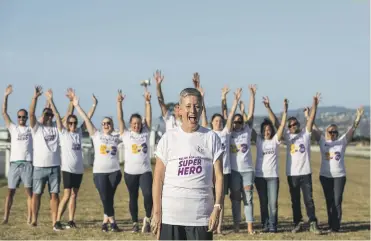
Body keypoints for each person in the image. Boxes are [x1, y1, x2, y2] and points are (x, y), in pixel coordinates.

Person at [151, 88, 224, 240]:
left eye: (197, 106)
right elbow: (158, 179)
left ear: (202, 109)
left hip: (200, 217)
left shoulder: (211, 137)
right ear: (180, 110)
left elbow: (218, 176)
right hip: (171, 217)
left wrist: (217, 207)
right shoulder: (168, 138)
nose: (193, 110)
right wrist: (157, 212)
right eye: (189, 106)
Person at [264, 93, 322, 234]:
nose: (293, 126)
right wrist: (269, 107)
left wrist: (315, 104)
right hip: (292, 174)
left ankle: (313, 223)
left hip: (305, 172)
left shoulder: (305, 134)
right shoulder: (287, 136)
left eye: (295, 124)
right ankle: (298, 223)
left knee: (309, 200)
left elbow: (311, 119)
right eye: (290, 125)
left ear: (298, 124)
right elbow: (277, 123)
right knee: (295, 201)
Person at [304, 106, 364, 233]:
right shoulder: (322, 141)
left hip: (339, 176)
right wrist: (307, 116)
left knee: (337, 200)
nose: (332, 134)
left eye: (335, 132)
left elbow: (352, 130)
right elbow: (312, 127)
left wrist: (357, 118)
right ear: (326, 133)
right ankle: (331, 224)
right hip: (325, 176)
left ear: (337, 134)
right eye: (330, 132)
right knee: (329, 200)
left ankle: (335, 226)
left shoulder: (341, 142)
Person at [73, 93, 121, 232]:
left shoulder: (117, 136)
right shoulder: (96, 135)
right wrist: (77, 105)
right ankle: (112, 223)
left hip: (114, 172)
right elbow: (86, 119)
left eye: (108, 123)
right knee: (105, 197)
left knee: (108, 198)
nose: (106, 125)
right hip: (99, 172)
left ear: (112, 125)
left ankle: (105, 222)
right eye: (104, 123)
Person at [49, 91, 97, 230]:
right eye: (70, 123)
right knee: (67, 194)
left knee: (74, 195)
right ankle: (57, 221)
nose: (73, 125)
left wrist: (94, 104)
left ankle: (71, 220)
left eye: (75, 123)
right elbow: (57, 116)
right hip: (67, 168)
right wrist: (51, 100)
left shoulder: (79, 132)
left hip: (78, 169)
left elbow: (87, 118)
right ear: (67, 124)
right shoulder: (63, 133)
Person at [200, 85, 242, 235]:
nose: (218, 123)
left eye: (220, 121)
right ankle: (208, 223)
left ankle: (219, 227)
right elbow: (203, 114)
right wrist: (202, 97)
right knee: (209, 199)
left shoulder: (225, 132)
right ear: (212, 123)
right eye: (216, 121)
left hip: (225, 172)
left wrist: (235, 101)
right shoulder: (208, 133)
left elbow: (230, 115)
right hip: (210, 172)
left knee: (221, 201)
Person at [118, 89, 153, 233]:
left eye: (138, 123)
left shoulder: (145, 132)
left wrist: (147, 102)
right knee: (133, 197)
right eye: (134, 124)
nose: (136, 126)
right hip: (130, 173)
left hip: (145, 171)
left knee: (148, 194)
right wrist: (119, 103)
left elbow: (149, 118)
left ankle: (148, 219)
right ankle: (134, 223)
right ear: (130, 124)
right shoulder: (126, 134)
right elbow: (120, 119)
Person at [252, 98, 288, 233]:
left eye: (268, 129)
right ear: (261, 131)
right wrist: (244, 109)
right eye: (264, 129)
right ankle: (265, 224)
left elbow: (282, 125)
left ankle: (273, 225)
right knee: (263, 203)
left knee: (272, 204)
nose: (267, 131)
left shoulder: (275, 141)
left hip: (272, 177)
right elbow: (248, 126)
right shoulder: (259, 140)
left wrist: (284, 111)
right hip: (260, 177)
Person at [29, 86, 61, 229]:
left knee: (54, 195)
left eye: (50, 115)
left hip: (54, 167)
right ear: (42, 116)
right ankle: (34, 219)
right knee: (37, 194)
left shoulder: (56, 127)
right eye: (46, 114)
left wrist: (50, 101)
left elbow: (62, 115)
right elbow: (30, 114)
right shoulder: (37, 128)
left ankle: (55, 220)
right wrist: (35, 98)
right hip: (39, 167)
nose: (48, 116)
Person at [1, 85, 33, 224]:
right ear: (17, 117)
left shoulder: (31, 129)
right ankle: (5, 218)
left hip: (27, 163)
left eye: (23, 117)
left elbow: (37, 116)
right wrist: (6, 96)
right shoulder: (13, 128)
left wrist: (44, 101)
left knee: (29, 193)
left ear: (26, 118)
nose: (21, 118)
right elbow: (3, 113)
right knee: (10, 192)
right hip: (14, 163)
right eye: (19, 117)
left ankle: (30, 218)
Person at [229, 85, 256, 234]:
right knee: (235, 200)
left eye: (240, 121)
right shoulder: (229, 133)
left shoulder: (247, 130)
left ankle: (250, 227)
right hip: (234, 171)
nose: (237, 124)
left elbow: (251, 113)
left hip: (247, 171)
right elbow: (227, 113)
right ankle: (236, 225)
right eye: (235, 121)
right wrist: (234, 100)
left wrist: (252, 95)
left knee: (248, 199)